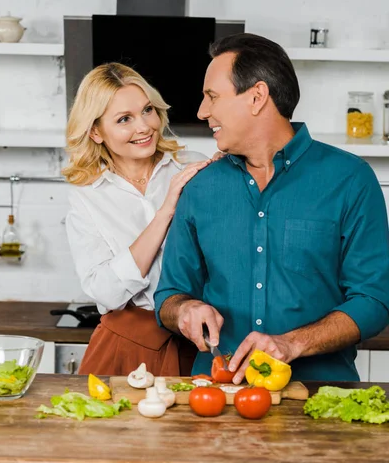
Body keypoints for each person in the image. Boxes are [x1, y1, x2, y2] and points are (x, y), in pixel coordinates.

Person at [154, 32, 389, 383]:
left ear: (257, 97)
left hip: (320, 394)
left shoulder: (350, 179)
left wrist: (292, 344)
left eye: (212, 97)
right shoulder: (200, 187)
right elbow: (168, 296)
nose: (203, 111)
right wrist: (185, 309)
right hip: (218, 394)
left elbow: (374, 300)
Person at [63, 62, 212, 376]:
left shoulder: (195, 168)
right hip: (124, 347)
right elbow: (105, 292)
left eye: (147, 110)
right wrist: (165, 212)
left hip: (200, 340)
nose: (144, 127)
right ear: (95, 131)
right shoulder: (86, 195)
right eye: (123, 119)